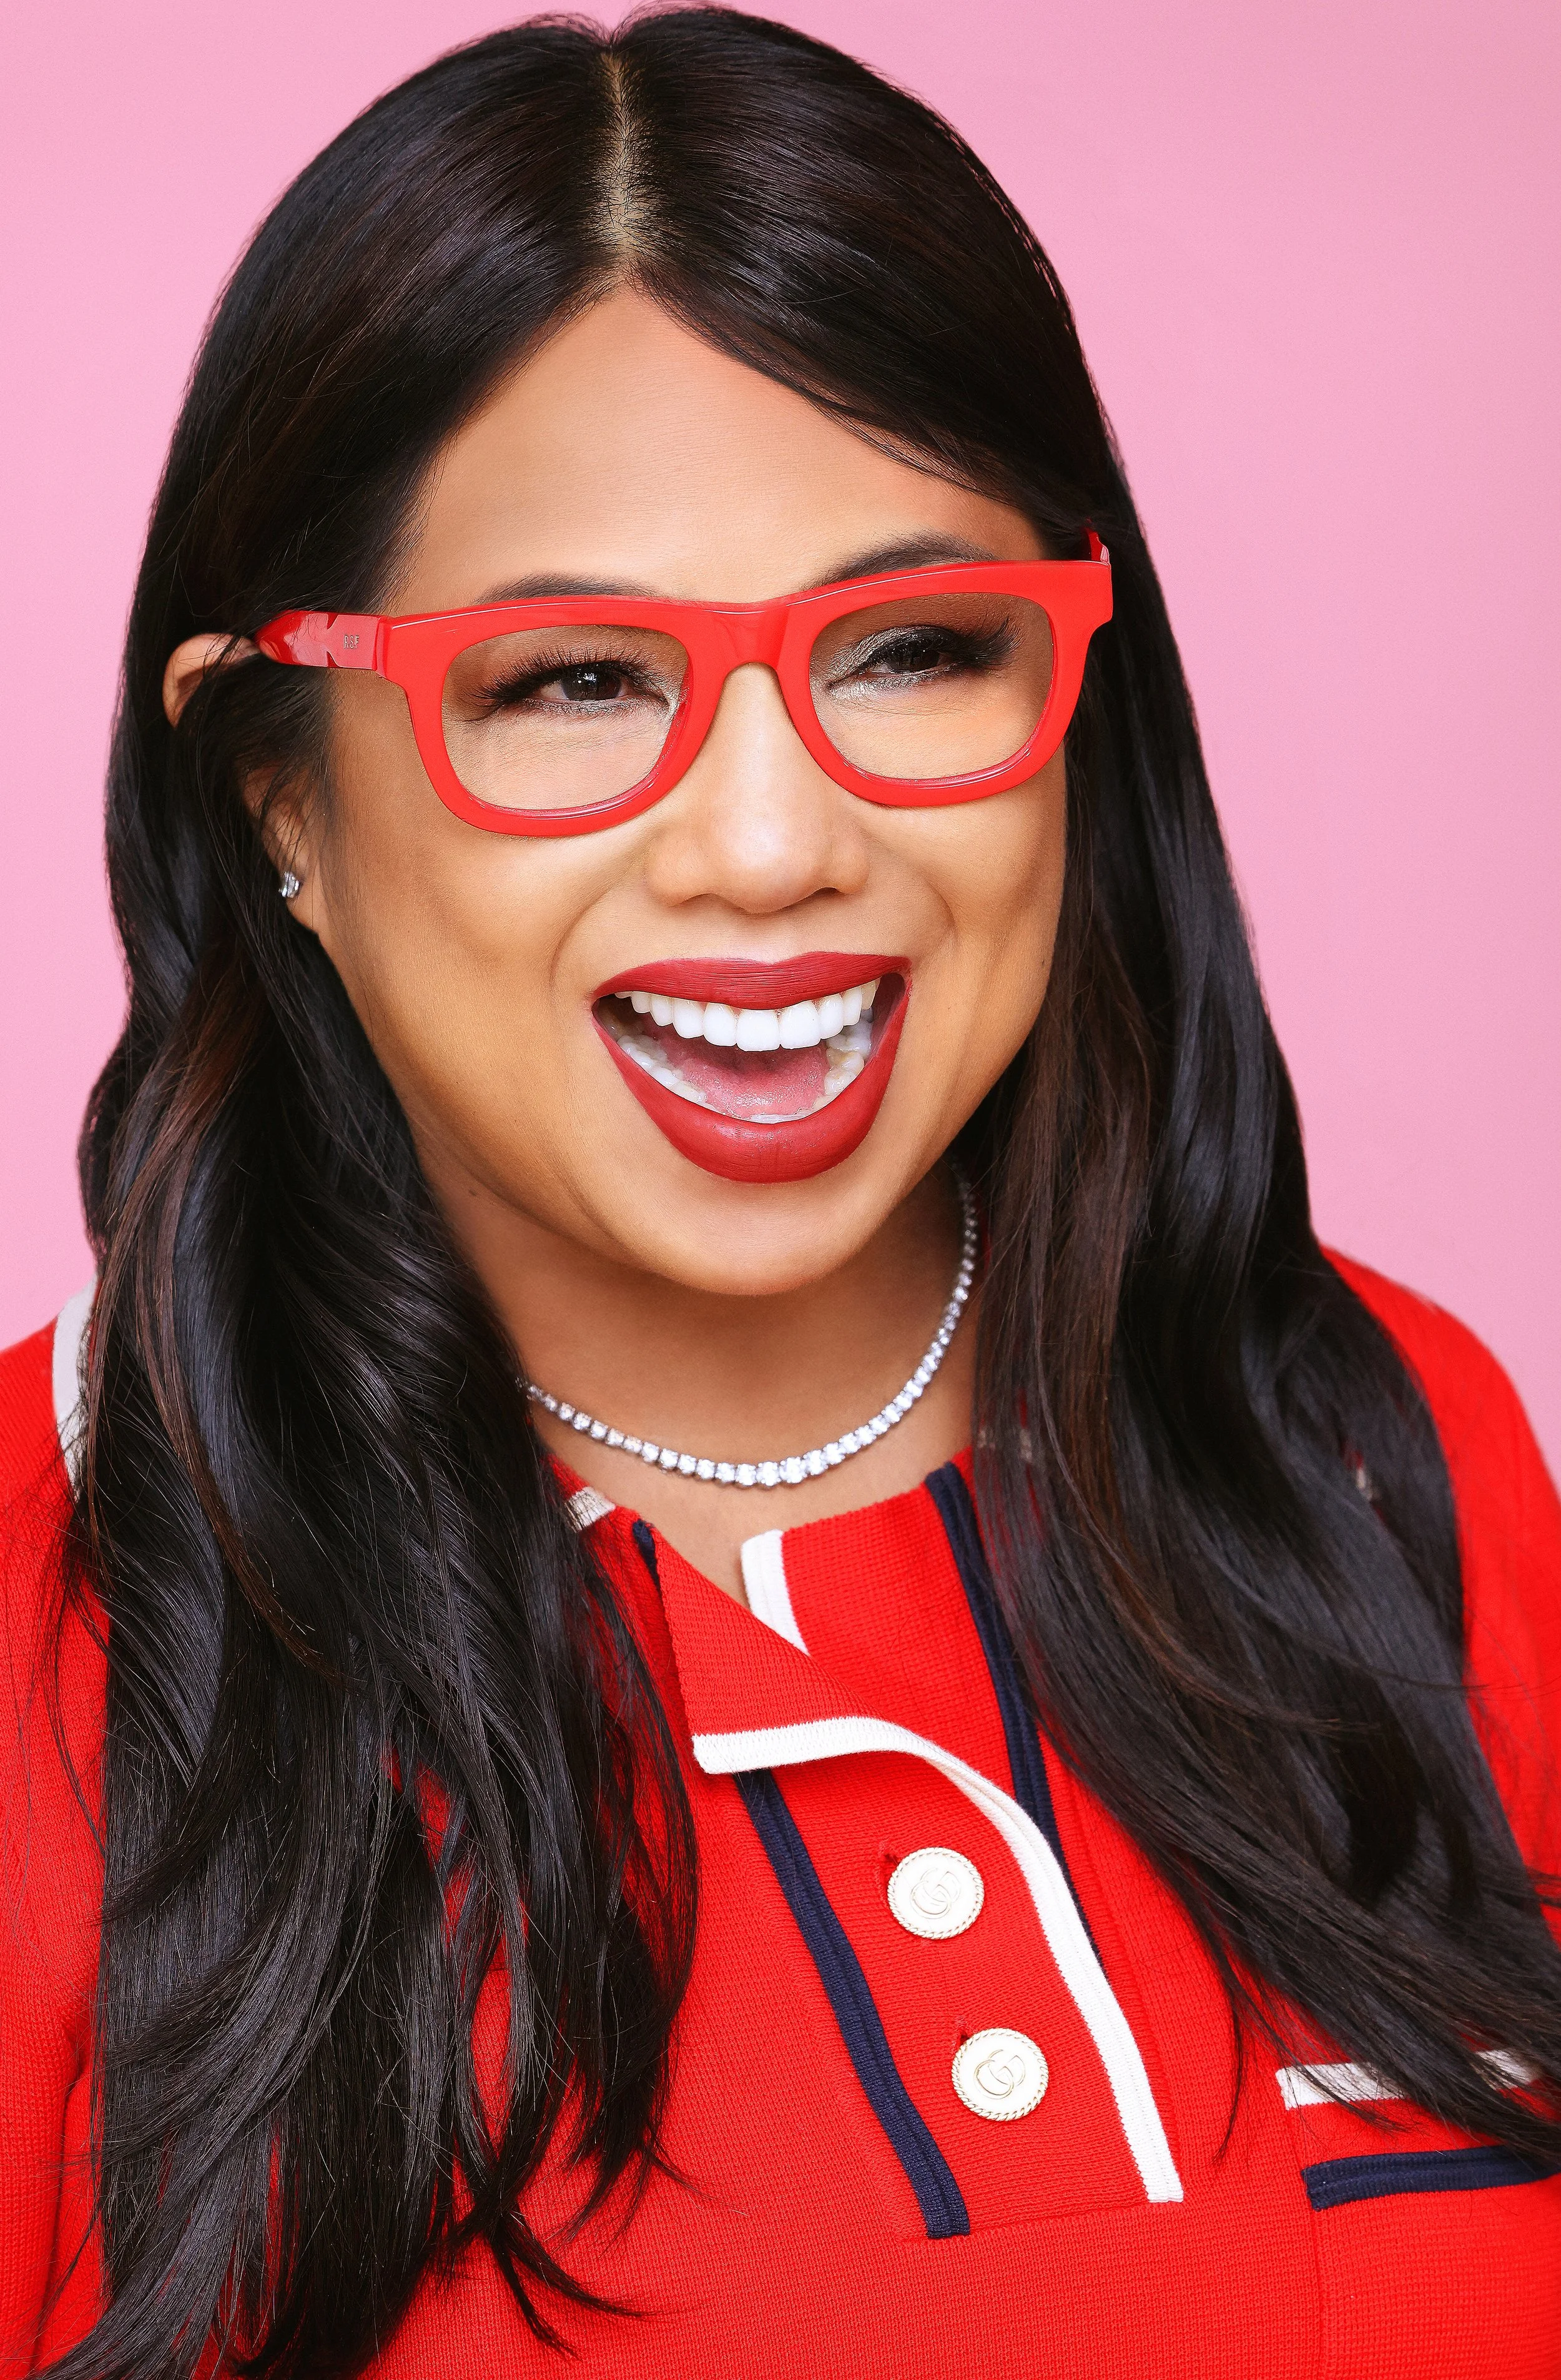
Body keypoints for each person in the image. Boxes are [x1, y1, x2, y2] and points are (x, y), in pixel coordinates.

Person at [2, 10, 1559, 2374]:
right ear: (276, 802)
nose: (769, 847)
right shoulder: (42, 1614)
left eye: (918, 649)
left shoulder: (1387, 1445)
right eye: (568, 684)